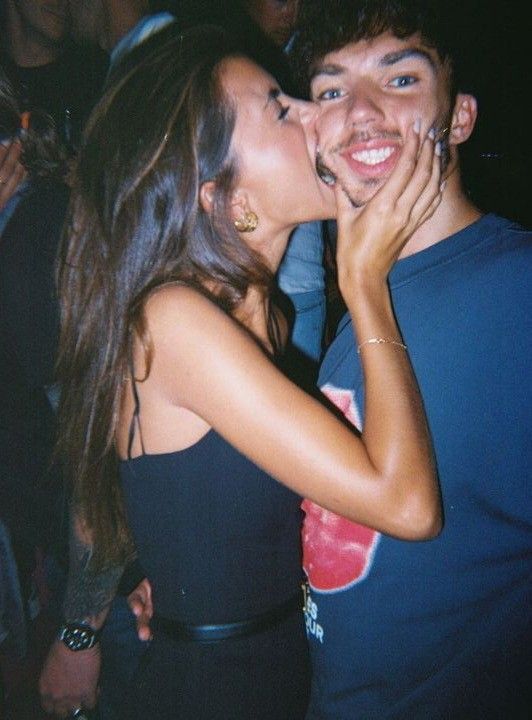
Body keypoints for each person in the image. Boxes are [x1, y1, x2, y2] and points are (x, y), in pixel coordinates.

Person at [39, 22, 443, 719]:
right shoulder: (173, 321)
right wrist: (364, 282)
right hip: (212, 690)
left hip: (274, 665)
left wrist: (173, 572)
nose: (316, 113)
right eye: (281, 110)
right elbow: (407, 506)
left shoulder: (267, 318)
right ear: (223, 195)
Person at [286, 1, 532, 717]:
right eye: (332, 90)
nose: (361, 112)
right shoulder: (373, 284)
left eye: (400, 80)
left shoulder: (516, 286)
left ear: (459, 118)